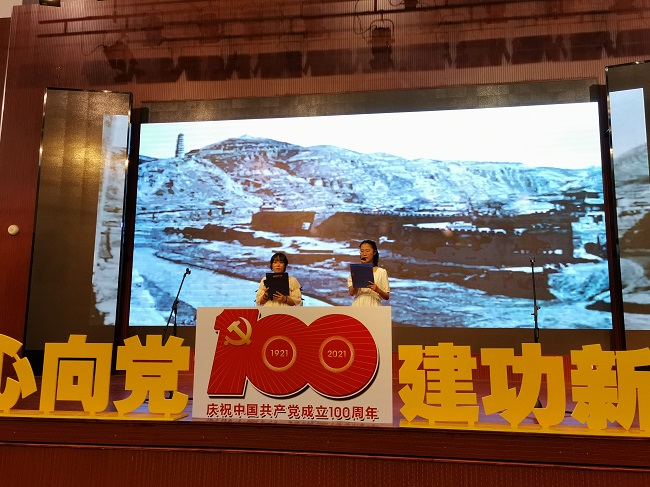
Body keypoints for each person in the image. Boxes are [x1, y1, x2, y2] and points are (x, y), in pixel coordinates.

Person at [348, 239, 390, 306]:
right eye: (362, 251)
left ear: (374, 252)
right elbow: (351, 293)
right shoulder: (355, 271)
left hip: (374, 305)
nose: (364, 254)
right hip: (358, 305)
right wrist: (359, 271)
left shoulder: (382, 272)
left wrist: (377, 289)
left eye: (367, 251)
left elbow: (386, 296)